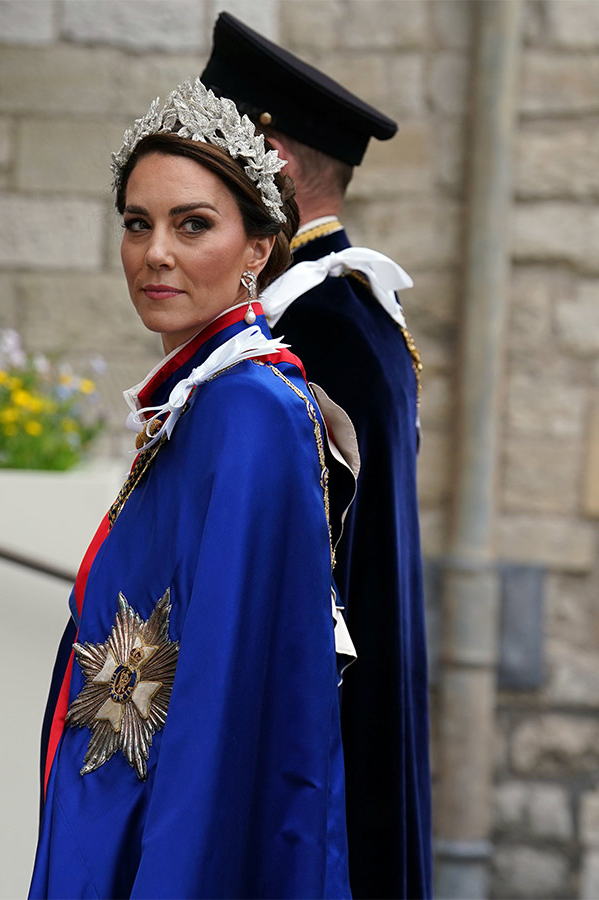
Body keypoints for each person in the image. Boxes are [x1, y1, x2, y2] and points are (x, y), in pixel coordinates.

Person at [29, 78, 359, 900]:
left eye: (193, 225)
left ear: (258, 248)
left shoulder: (250, 410)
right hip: (121, 811)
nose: (156, 254)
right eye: (137, 224)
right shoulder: (204, 396)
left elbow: (225, 702)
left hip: (165, 840)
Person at [202, 14, 432, 899]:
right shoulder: (349, 311)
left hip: (316, 748)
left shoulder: (311, 328)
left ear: (276, 163)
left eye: (217, 153)